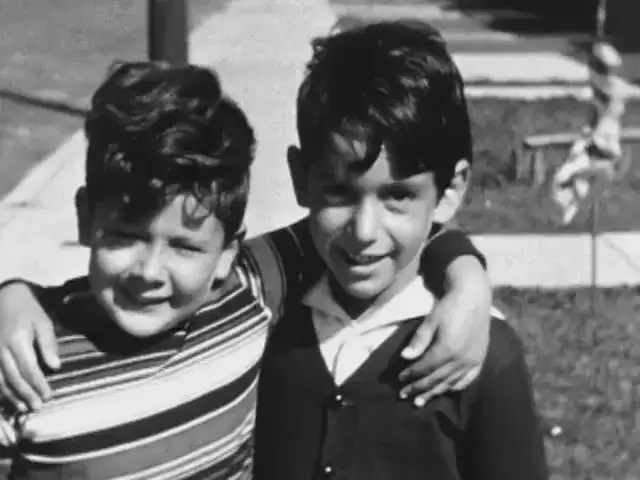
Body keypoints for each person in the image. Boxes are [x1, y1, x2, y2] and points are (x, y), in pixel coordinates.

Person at [0, 59, 492, 477]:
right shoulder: (24, 364)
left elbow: (377, 234)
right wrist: (14, 295)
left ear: (227, 253)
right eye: (125, 237)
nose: (149, 272)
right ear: (86, 218)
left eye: (184, 247)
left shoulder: (247, 292)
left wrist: (467, 279)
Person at [254, 20, 549, 479]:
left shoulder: (484, 354)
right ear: (299, 177)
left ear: (450, 190)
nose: (364, 230)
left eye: (397, 196)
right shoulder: (263, 320)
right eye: (338, 192)